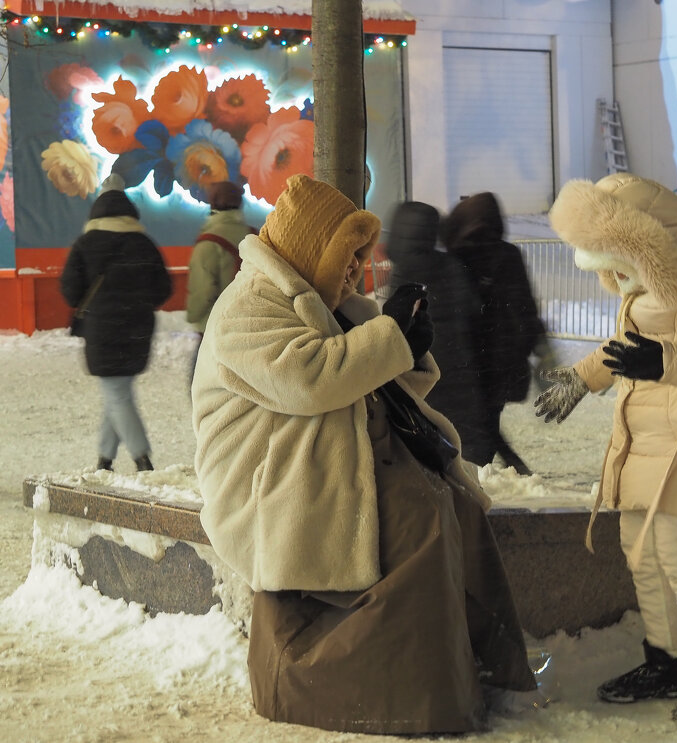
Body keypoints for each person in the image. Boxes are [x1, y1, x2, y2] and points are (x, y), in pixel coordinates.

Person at [191, 174, 537, 736]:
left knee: (459, 512)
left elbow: (378, 376)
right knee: (418, 532)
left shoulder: (329, 302)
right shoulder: (247, 306)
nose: (354, 269)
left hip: (340, 458)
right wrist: (392, 337)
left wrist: (408, 340)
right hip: (278, 479)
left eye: (358, 256)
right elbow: (312, 379)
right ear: (309, 247)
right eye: (343, 254)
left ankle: (482, 673)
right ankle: (409, 698)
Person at [536, 173, 677, 722]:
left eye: (611, 256)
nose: (609, 272)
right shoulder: (641, 270)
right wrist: (582, 378)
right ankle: (665, 661)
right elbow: (630, 344)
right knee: (640, 549)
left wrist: (664, 362)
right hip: (643, 429)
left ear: (638, 238)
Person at [60, 187, 172, 473]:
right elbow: (163, 289)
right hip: (138, 330)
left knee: (117, 393)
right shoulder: (144, 243)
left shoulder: (85, 244)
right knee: (118, 392)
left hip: (102, 330)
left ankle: (142, 460)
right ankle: (104, 460)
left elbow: (71, 292)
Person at [441, 192, 545, 474]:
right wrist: (529, 346)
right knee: (487, 425)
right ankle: (508, 469)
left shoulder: (454, 258)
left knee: (476, 429)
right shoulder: (508, 255)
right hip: (501, 363)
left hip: (466, 362)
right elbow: (525, 309)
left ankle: (491, 474)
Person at [384, 200, 491, 463]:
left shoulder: (402, 270)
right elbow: (472, 307)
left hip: (419, 363)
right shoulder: (449, 265)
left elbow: (395, 321)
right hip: (457, 361)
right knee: (464, 437)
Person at [185, 181, 255, 380]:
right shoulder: (255, 236)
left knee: (200, 391)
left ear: (212, 203)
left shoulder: (208, 243)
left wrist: (193, 317)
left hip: (216, 331)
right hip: (251, 328)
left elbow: (203, 291)